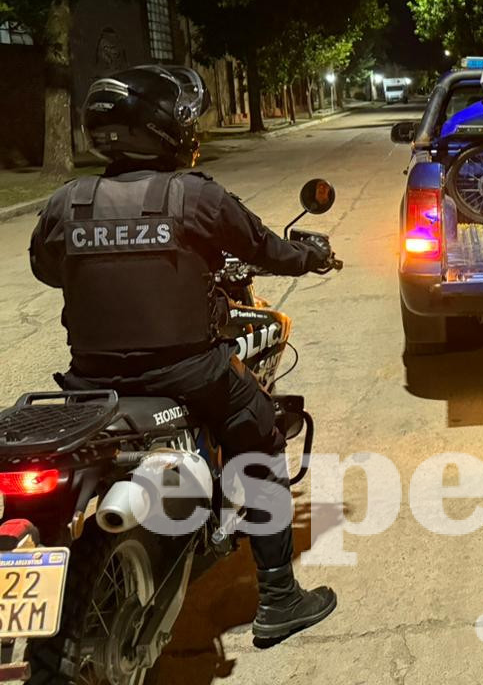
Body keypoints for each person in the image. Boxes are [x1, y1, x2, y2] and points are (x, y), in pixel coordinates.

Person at [29, 65, 338, 644]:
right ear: (165, 129)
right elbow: (265, 248)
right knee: (261, 430)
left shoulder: (68, 201)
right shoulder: (194, 195)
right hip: (188, 373)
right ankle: (279, 598)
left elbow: (47, 269)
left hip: (92, 382)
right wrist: (311, 257)